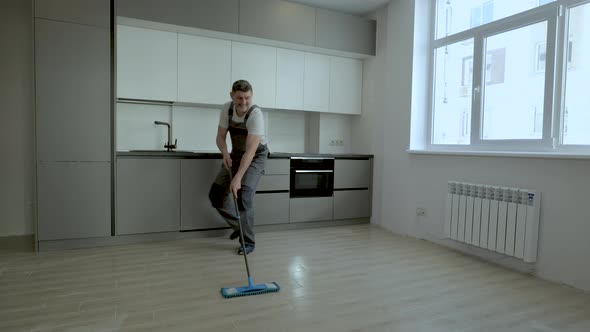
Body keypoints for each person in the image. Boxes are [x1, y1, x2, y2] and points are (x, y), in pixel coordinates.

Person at [208, 80, 269, 255]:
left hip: (255, 156)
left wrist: (237, 178)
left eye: (247, 98)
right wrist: (225, 153)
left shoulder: (255, 114)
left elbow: (250, 151)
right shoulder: (227, 109)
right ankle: (239, 227)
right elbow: (220, 136)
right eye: (239, 98)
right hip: (235, 154)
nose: (243, 102)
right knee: (216, 194)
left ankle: (248, 242)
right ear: (232, 96)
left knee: (244, 194)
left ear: (252, 95)